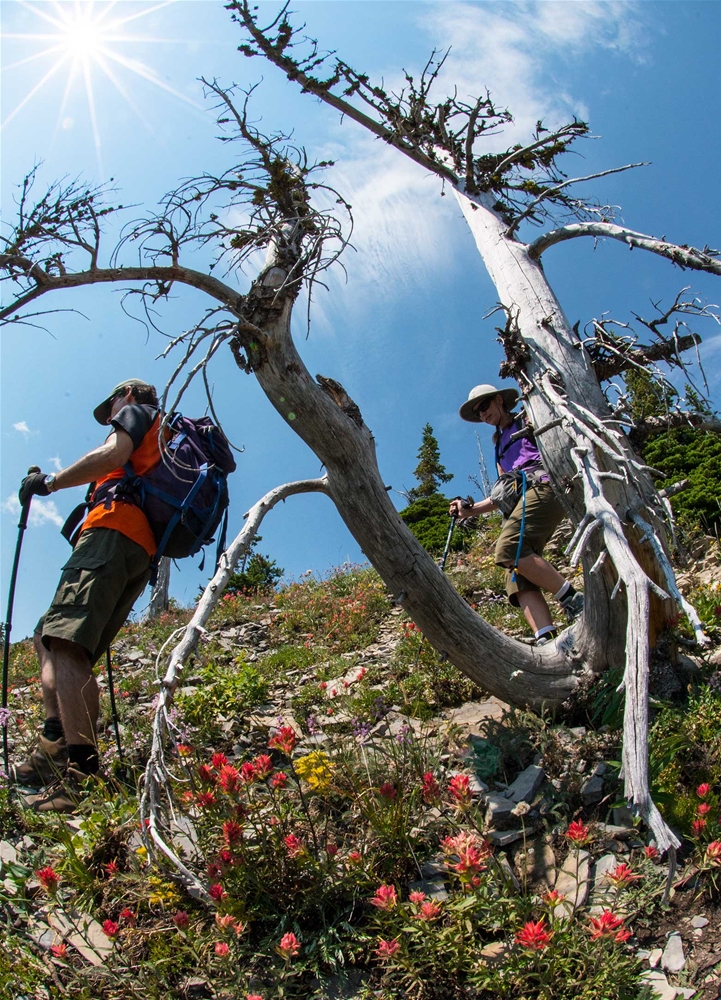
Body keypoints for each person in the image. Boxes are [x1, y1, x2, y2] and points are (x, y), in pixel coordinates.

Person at [13, 379, 161, 812]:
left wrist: (50, 482)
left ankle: (82, 774)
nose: (111, 412)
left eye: (113, 402)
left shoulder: (136, 414)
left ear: (129, 395)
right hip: (135, 546)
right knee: (49, 635)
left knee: (66, 643)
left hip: (112, 533)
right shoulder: (161, 435)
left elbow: (113, 455)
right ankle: (56, 742)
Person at [450, 383, 583, 645]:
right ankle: (547, 638)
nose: (482, 415)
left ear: (499, 400)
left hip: (544, 487)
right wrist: (470, 511)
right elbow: (502, 494)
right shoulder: (498, 445)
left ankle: (575, 601)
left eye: (484, 406)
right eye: (477, 413)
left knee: (510, 547)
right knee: (515, 574)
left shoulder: (527, 418)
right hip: (519, 501)